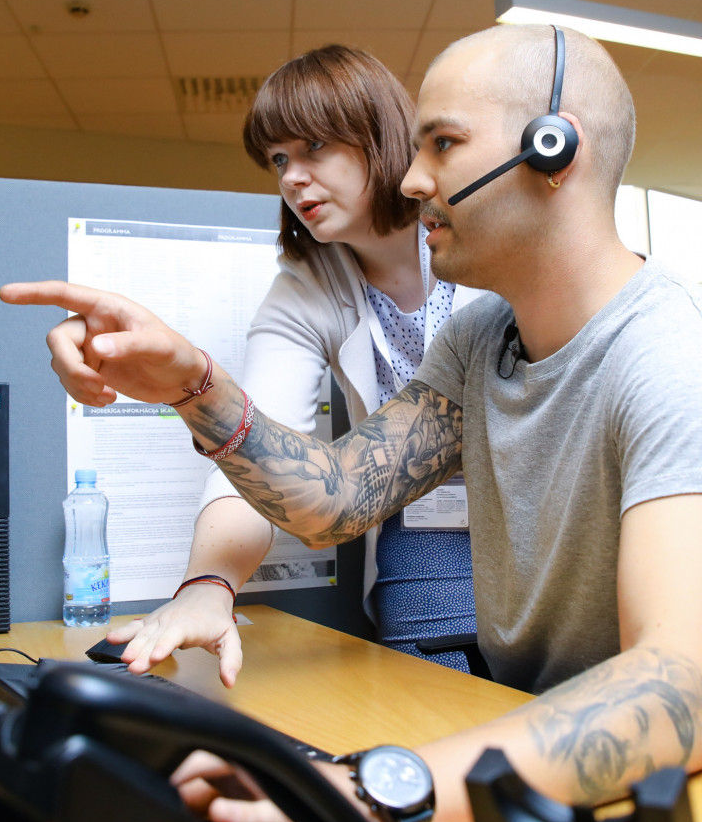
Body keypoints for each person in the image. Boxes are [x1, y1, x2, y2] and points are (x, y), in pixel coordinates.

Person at [2, 24, 702, 822]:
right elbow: (336, 500)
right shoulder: (482, 337)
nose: (413, 180)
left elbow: (676, 695)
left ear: (554, 151)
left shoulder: (685, 355)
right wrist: (194, 386)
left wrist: (376, 794)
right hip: (539, 732)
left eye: (445, 145)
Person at [105, 45, 485, 687]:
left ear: (379, 136)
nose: (291, 178)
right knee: (437, 701)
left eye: (314, 148)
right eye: (279, 159)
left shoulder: (483, 235)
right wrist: (210, 585)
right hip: (423, 529)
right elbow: (260, 444)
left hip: (538, 510)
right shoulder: (308, 286)